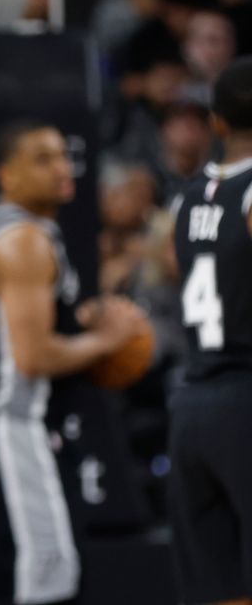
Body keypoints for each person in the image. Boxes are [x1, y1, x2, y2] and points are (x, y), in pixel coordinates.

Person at [0, 121, 147, 605]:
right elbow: (32, 358)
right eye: (42, 158)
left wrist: (78, 321)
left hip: (0, 429)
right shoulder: (24, 241)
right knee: (47, 593)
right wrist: (106, 340)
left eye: (63, 155)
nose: (61, 167)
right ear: (6, 175)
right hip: (14, 433)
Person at [168, 57, 252, 605]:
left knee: (218, 588)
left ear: (217, 121)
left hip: (194, 403)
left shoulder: (189, 195)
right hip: (246, 398)